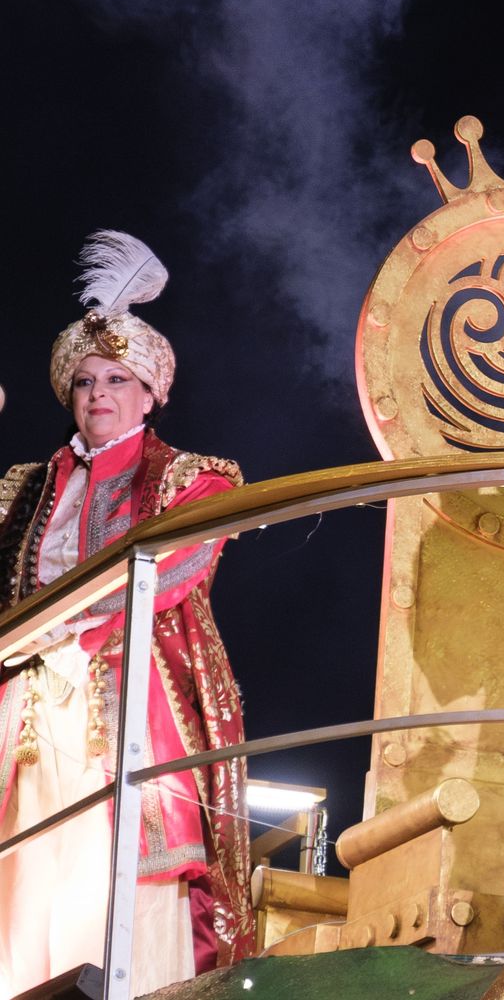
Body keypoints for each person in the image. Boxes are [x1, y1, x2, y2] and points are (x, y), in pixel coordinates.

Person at [0, 232, 254, 997]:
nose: (98, 394)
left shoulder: (192, 478)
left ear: (152, 392)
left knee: (125, 882)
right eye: (83, 381)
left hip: (134, 699)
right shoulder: (21, 488)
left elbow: (176, 569)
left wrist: (68, 625)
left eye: (116, 378)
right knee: (26, 866)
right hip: (28, 707)